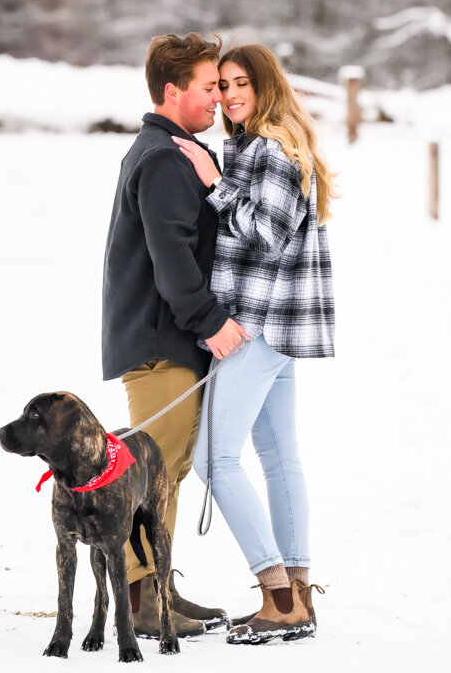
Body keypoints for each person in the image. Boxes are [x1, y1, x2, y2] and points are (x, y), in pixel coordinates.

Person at [172, 43, 337, 645]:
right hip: (279, 326)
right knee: (278, 458)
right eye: (221, 84)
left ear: (266, 86)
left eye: (241, 83)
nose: (229, 95)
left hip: (256, 324)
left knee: (214, 461)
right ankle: (297, 594)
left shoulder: (267, 149)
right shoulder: (275, 145)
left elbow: (265, 236)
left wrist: (214, 182)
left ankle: (278, 598)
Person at [102, 32, 248, 639]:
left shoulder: (169, 148)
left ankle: (157, 588)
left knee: (167, 470)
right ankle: (139, 602)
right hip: (161, 341)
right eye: (208, 86)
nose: (218, 97)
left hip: (163, 337)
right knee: (150, 474)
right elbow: (172, 260)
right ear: (172, 90)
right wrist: (210, 323)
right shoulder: (163, 156)